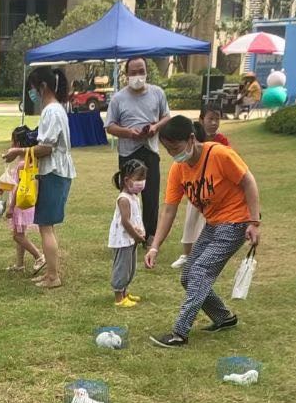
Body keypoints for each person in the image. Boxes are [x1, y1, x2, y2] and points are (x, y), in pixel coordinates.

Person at [144, 114, 262, 348]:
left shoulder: (219, 154)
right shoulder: (178, 170)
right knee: (188, 276)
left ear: (190, 139)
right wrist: (154, 247)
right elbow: (169, 211)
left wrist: (254, 222)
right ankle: (224, 318)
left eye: (175, 147)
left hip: (236, 223)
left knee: (199, 272)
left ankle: (180, 333)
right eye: (167, 150)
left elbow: (248, 181)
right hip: (214, 223)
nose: (173, 154)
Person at [4, 66, 75, 291]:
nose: (32, 93)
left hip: (53, 172)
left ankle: (53, 276)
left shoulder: (52, 112)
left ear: (42, 87)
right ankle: (49, 274)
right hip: (54, 172)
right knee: (46, 226)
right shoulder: (55, 110)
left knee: (46, 227)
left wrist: (18, 152)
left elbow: (46, 148)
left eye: (33, 88)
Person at [105, 57, 169, 242]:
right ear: (126, 75)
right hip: (128, 152)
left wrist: (156, 127)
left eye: (140, 71)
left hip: (150, 150)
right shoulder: (118, 98)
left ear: (147, 71)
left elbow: (166, 116)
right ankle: (127, 232)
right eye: (133, 72)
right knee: (127, 195)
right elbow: (109, 126)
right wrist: (128, 132)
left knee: (151, 195)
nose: (137, 76)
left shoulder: (157, 93)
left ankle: (149, 235)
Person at [172, 104, 231, 269]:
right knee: (191, 220)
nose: (214, 123)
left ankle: (202, 254)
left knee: (209, 225)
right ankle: (186, 254)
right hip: (196, 187)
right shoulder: (196, 138)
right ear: (201, 120)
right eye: (210, 118)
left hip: (214, 190)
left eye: (217, 119)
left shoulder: (222, 141)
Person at [3, 125, 45, 276]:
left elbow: (20, 185)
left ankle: (39, 256)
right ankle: (19, 264)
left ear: (18, 145)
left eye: (12, 142)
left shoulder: (22, 164)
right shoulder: (31, 160)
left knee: (17, 235)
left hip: (20, 203)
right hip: (25, 201)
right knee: (19, 233)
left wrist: (11, 207)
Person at [109, 158, 147, 309]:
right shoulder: (124, 199)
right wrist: (136, 235)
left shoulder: (133, 197)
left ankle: (125, 292)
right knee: (122, 267)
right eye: (139, 179)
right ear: (127, 180)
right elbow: (125, 221)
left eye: (144, 178)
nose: (142, 182)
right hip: (123, 240)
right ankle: (119, 297)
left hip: (131, 239)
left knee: (130, 268)